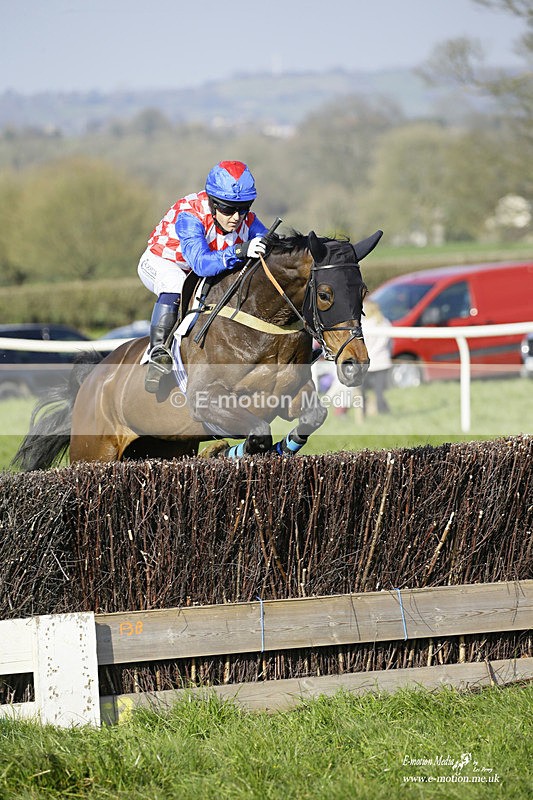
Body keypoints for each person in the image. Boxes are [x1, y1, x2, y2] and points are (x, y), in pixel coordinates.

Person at [138, 160, 269, 393]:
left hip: (200, 271)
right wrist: (240, 250)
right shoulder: (190, 215)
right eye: (228, 209)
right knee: (176, 285)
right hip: (162, 263)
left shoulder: (244, 218)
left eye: (244, 208)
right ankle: (158, 353)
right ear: (212, 202)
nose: (237, 217)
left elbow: (274, 249)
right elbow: (200, 264)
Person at [361, 299, 392, 415]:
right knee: (377, 392)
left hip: (374, 362)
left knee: (364, 392)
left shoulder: (377, 323)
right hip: (379, 362)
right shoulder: (384, 322)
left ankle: (370, 413)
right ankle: (382, 412)